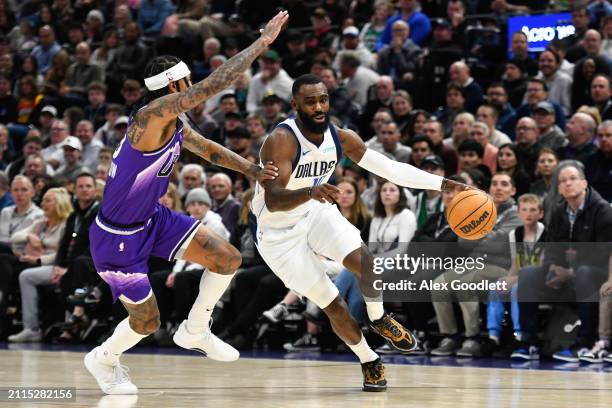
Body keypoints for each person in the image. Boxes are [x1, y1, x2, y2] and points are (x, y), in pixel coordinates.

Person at [83, 11, 288, 395]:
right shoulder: (151, 114)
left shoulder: (173, 123)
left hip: (152, 220)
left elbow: (207, 149)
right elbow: (212, 85)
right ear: (176, 84)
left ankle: (196, 329)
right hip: (117, 237)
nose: (193, 84)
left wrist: (252, 169)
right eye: (187, 80)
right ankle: (104, 358)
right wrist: (262, 43)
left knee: (227, 259)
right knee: (146, 323)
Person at [251, 74, 469, 392]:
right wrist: (311, 191)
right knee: (332, 304)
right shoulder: (281, 140)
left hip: (316, 212)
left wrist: (444, 184)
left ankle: (379, 317)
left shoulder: (340, 137)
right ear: (294, 104)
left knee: (367, 264)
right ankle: (369, 360)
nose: (318, 106)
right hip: (278, 233)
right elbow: (273, 200)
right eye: (310, 101)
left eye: (323, 99)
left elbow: (391, 169)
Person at [7, 188, 72, 342]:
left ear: (60, 204)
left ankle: (31, 328)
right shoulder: (41, 223)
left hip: (55, 266)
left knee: (25, 276)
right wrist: (30, 235)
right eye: (43, 200)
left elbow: (63, 253)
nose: (43, 204)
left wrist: (40, 259)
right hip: (33, 262)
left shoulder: (66, 225)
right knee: (5, 259)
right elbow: (15, 237)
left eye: (48, 200)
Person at [491, 194, 546, 357]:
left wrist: (514, 280)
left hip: (540, 279)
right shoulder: (514, 234)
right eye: (524, 210)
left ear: (540, 213)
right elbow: (516, 264)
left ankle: (520, 335)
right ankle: (493, 335)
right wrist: (507, 279)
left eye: (533, 210)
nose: (528, 214)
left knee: (517, 289)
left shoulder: (546, 233)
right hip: (521, 277)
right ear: (519, 214)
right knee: (497, 286)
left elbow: (541, 266)